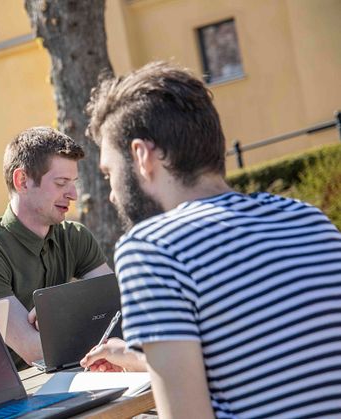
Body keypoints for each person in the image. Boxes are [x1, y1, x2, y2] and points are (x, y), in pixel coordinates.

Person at [81, 61, 341, 418]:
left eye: (110, 172)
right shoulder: (307, 218)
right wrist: (134, 357)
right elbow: (266, 355)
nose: (111, 194)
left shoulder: (151, 249)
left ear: (142, 156)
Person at [0, 126, 112, 367]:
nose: (73, 194)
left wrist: (66, 315)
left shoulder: (76, 237)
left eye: (73, 183)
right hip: (10, 396)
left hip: (71, 375)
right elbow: (34, 350)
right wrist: (84, 323)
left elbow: (119, 313)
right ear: (22, 181)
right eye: (61, 183)